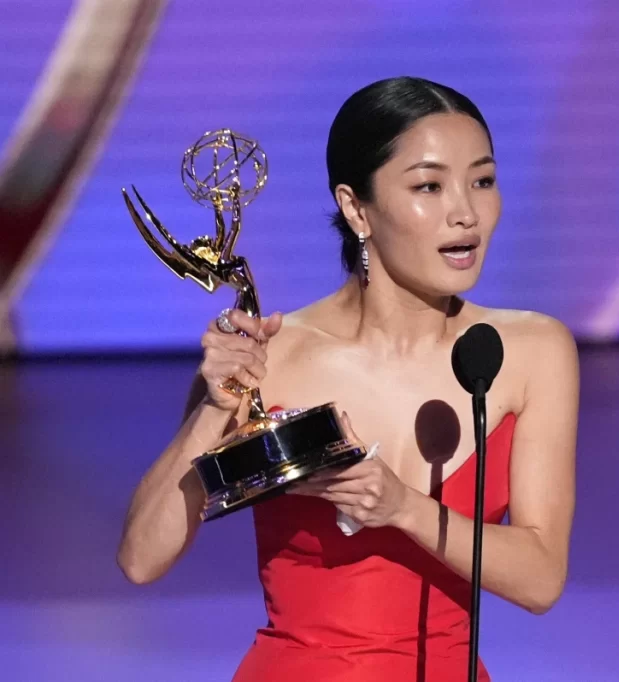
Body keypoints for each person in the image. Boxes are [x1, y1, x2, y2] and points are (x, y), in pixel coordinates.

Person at [116, 76, 579, 681]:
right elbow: (141, 560)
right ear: (356, 207)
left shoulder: (529, 352)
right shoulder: (272, 355)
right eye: (429, 186)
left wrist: (404, 508)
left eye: (482, 181)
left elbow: (542, 578)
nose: (465, 213)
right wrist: (213, 407)